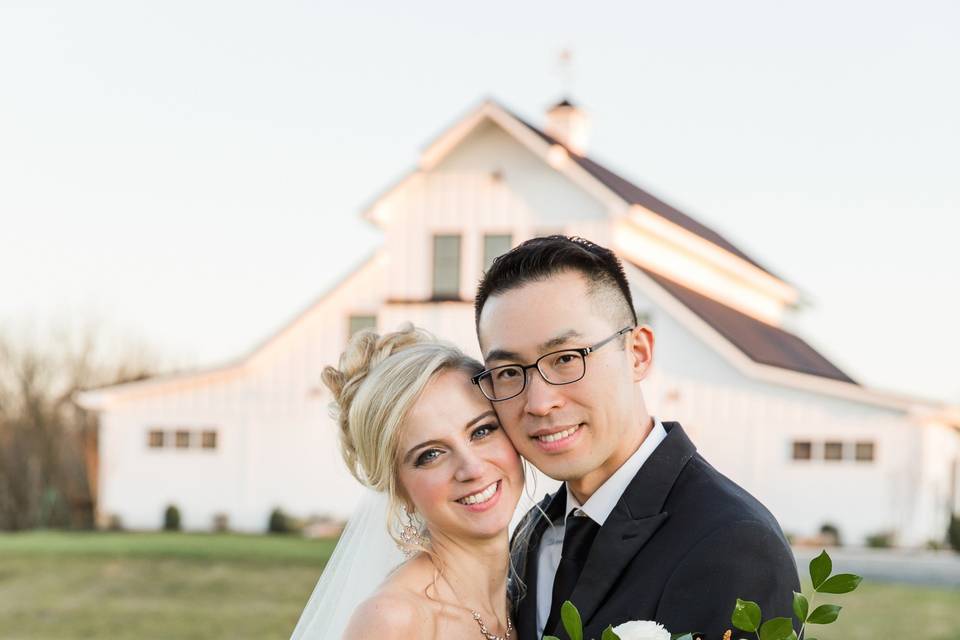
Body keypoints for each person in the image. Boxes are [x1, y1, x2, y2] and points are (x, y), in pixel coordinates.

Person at [473, 236, 800, 640]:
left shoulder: (733, 543)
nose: (538, 403)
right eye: (508, 372)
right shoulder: (531, 534)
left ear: (637, 353)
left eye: (565, 358)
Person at [291, 326, 525, 639]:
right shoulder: (395, 621)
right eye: (430, 454)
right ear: (399, 489)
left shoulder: (533, 594)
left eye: (481, 431)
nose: (472, 468)